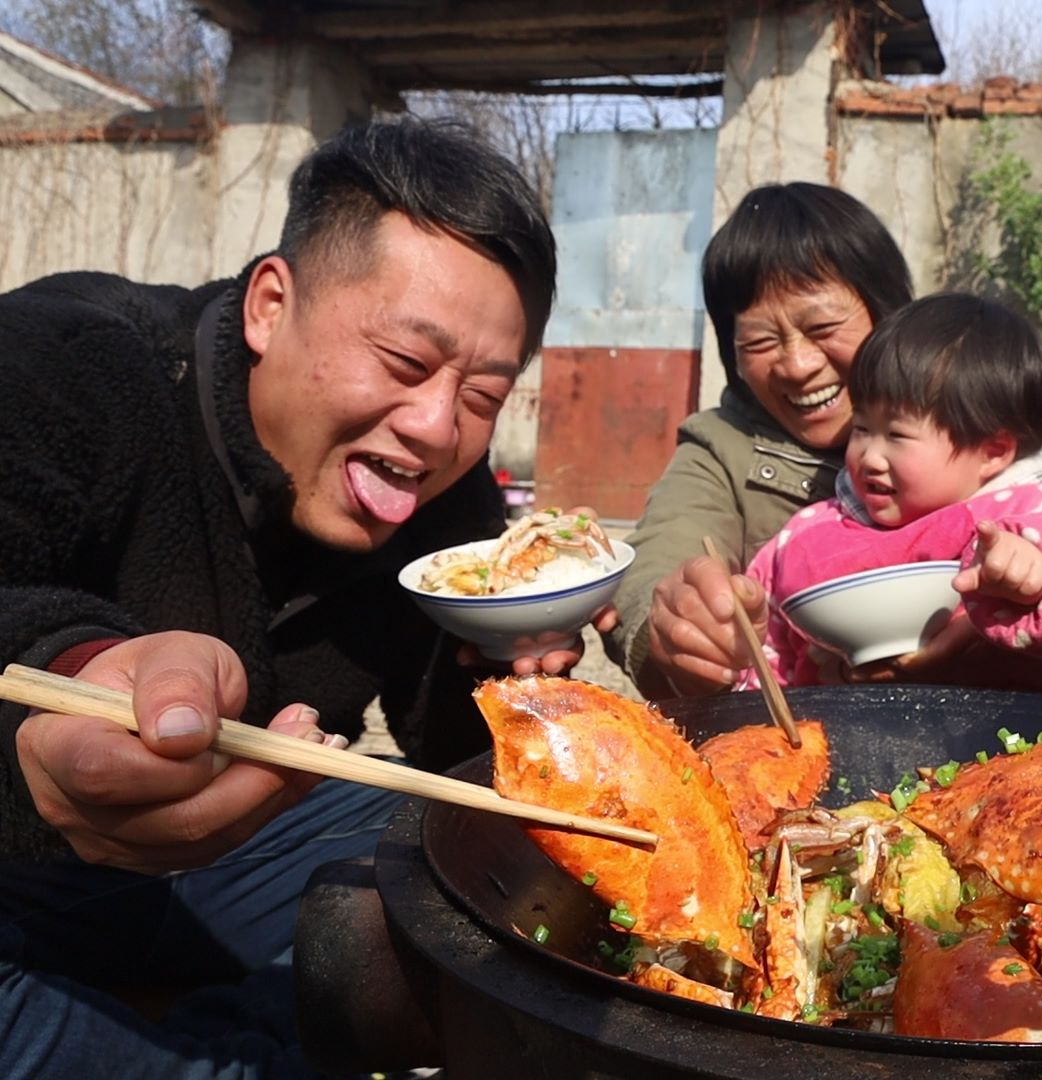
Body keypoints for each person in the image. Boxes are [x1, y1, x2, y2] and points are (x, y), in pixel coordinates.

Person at [0, 115, 576, 1077]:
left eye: (484, 395)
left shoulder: (447, 504)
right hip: (19, 875)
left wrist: (508, 677)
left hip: (225, 869)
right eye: (404, 362)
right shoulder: (67, 363)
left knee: (484, 846)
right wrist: (67, 671)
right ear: (271, 303)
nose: (437, 428)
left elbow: (447, 758)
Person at [606, 182, 917, 697]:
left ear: (886, 312)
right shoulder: (721, 448)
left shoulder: (964, 416)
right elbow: (660, 558)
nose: (798, 365)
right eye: (760, 341)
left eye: (822, 326)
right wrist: (677, 626)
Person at [738, 294, 1042, 689]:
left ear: (992, 451)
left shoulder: (1035, 508)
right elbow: (765, 645)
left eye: (897, 434)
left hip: (1010, 741)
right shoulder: (814, 530)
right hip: (833, 739)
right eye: (861, 428)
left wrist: (1041, 561)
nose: (869, 456)